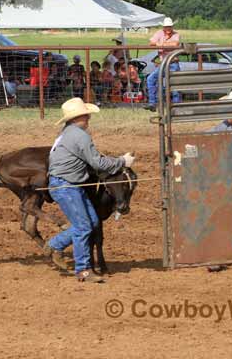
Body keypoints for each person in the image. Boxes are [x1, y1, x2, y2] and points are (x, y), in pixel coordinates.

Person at [44, 97, 135, 282]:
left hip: (67, 184)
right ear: (78, 117)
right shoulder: (79, 135)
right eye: (86, 115)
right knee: (84, 226)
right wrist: (122, 161)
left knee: (92, 222)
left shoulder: (67, 132)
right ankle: (83, 270)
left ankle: (55, 245)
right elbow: (97, 163)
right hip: (66, 185)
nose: (88, 119)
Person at [144, 17, 181, 111]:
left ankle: (177, 106)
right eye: (166, 27)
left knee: (174, 85)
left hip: (172, 63)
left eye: (170, 27)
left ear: (172, 27)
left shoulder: (176, 34)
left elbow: (175, 44)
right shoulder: (159, 33)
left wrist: (160, 43)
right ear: (163, 27)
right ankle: (153, 103)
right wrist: (164, 44)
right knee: (150, 79)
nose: (168, 29)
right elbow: (151, 43)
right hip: (164, 64)